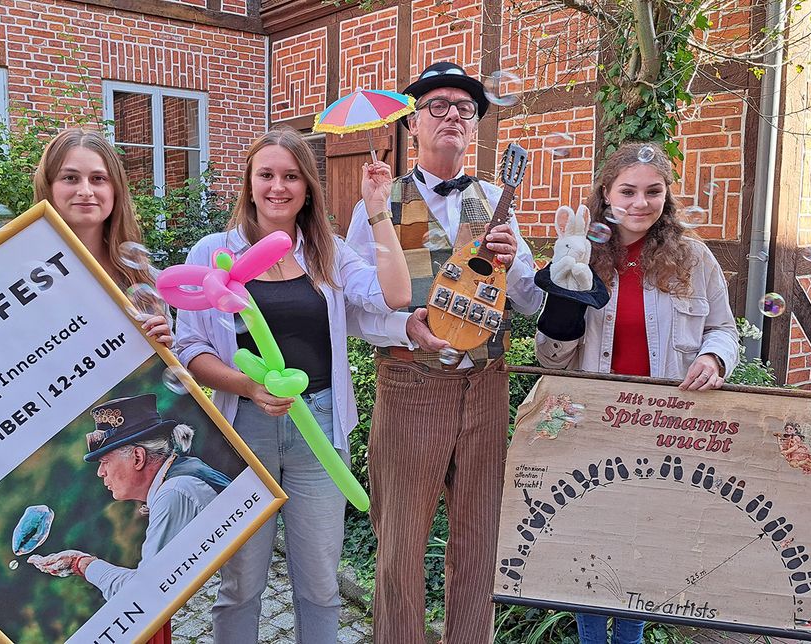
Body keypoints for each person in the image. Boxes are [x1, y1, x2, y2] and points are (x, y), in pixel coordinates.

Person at [0, 128, 176, 644]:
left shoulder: (139, 277)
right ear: (48, 187)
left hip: (120, 483)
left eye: (98, 178)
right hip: (49, 476)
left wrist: (164, 342)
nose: (86, 190)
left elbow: (171, 386)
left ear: (116, 192)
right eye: (70, 178)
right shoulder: (5, 280)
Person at [173, 126, 410, 643]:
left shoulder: (329, 252)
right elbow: (190, 350)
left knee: (321, 584)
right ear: (249, 183)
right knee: (240, 584)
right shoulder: (214, 252)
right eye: (267, 175)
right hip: (243, 429)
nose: (278, 187)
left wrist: (378, 209)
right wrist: (248, 386)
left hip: (320, 427)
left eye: (291, 176)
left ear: (307, 188)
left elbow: (394, 294)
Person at [344, 61, 544, 643]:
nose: (453, 114)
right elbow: (355, 307)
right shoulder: (380, 204)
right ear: (413, 125)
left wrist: (516, 263)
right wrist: (407, 328)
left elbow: (529, 303)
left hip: (486, 390)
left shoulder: (495, 199)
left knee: (480, 540)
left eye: (465, 107)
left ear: (475, 126)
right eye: (439, 105)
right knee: (400, 543)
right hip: (410, 387)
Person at [533, 141, 740, 644]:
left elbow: (724, 329)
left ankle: (629, 639)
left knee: (640, 542)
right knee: (594, 543)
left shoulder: (694, 258)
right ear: (606, 194)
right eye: (627, 191)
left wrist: (713, 358)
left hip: (664, 427)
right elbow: (550, 359)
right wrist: (562, 304)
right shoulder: (580, 256)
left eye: (652, 191)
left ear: (666, 196)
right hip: (595, 425)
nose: (639, 202)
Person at [28, 393, 231, 598]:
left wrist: (82, 564)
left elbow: (144, 593)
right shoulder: (180, 476)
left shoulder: (173, 492)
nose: (100, 472)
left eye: (105, 462)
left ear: (137, 457)